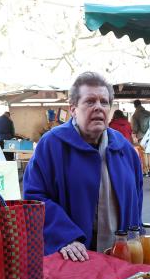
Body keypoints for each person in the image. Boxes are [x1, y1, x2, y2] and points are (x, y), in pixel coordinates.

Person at [23, 72, 143, 261]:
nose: (98, 107)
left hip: (121, 256)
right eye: (90, 101)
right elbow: (34, 198)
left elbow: (137, 198)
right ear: (73, 109)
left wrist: (137, 238)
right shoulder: (52, 145)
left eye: (104, 102)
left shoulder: (124, 148)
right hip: (74, 257)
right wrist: (65, 236)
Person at [130, 99, 150, 177]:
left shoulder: (135, 115)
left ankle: (145, 171)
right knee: (149, 152)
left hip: (141, 136)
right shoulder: (149, 113)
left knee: (143, 153)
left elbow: (134, 128)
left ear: (134, 105)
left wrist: (134, 133)